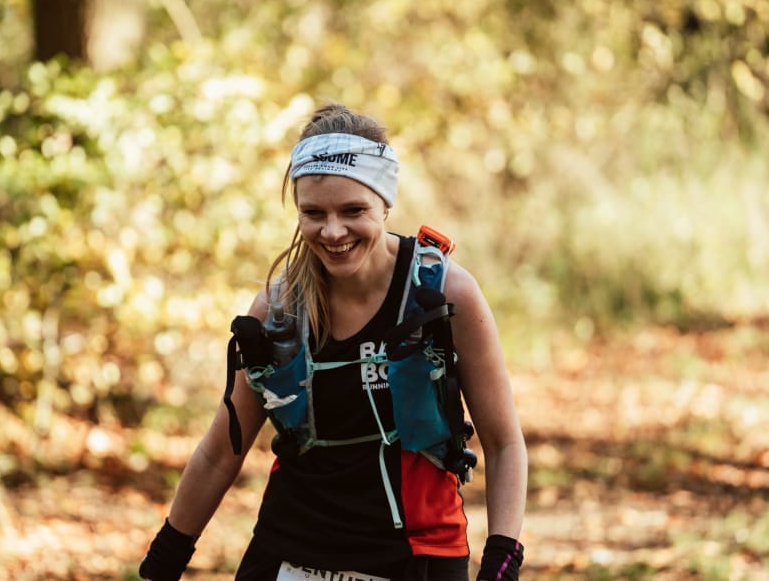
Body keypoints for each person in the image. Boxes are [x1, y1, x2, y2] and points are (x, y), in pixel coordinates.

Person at [139, 103, 528, 581]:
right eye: (313, 213)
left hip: (417, 554)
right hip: (289, 550)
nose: (333, 231)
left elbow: (504, 444)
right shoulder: (279, 309)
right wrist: (165, 559)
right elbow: (221, 452)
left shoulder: (443, 295)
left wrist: (503, 557)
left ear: (385, 202)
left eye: (353, 210)